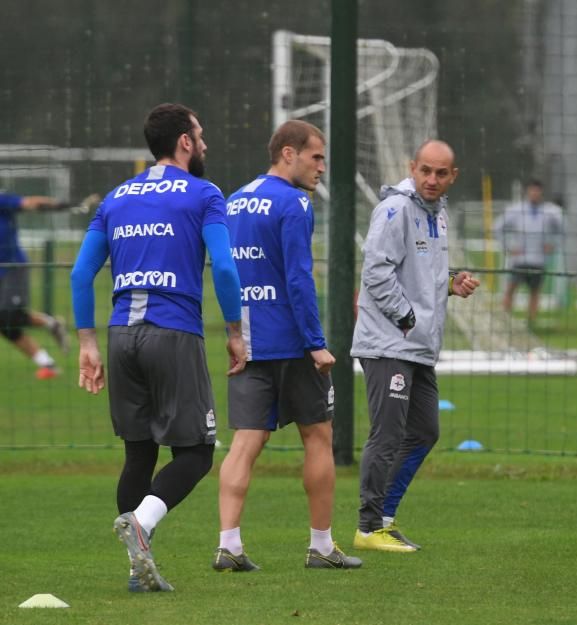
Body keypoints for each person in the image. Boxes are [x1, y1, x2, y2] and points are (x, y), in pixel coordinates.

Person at [70, 103, 247, 592]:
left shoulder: (115, 198)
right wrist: (235, 331)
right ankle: (142, 527)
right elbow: (227, 270)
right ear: (185, 142)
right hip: (173, 332)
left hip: (121, 334)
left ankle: (136, 571)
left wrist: (87, 343)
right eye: (201, 134)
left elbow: (81, 273)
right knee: (196, 452)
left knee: (139, 454)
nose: (205, 144)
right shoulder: (205, 194)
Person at [214, 120, 361, 572]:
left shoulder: (234, 201)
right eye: (316, 157)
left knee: (244, 444)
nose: (322, 168)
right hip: (293, 342)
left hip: (250, 343)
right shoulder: (295, 203)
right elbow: (298, 278)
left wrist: (233, 331)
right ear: (288, 153)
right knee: (318, 436)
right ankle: (321, 546)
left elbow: (224, 270)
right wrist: (316, 344)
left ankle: (229, 546)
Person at [351, 139, 479, 552]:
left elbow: (419, 277)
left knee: (424, 431)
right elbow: (375, 273)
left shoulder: (438, 215)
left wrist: (451, 284)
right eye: (425, 170)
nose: (432, 179)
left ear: (452, 177)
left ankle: (384, 520)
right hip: (390, 344)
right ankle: (368, 528)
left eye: (441, 173)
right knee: (386, 435)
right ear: (412, 167)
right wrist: (405, 317)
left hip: (417, 346)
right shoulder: (395, 209)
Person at [0, 192, 72, 378]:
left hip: (11, 267)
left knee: (10, 316)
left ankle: (50, 323)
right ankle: (48, 364)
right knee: (5, 325)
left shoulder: (3, 199)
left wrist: (59, 204)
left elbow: (30, 202)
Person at [493, 179, 564, 326]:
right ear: (527, 192)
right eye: (532, 190)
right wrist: (508, 247)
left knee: (535, 291)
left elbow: (562, 230)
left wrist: (553, 245)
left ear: (541, 192)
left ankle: (531, 322)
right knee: (510, 289)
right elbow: (497, 227)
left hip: (538, 260)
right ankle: (504, 319)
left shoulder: (550, 212)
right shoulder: (516, 210)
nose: (534, 193)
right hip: (519, 260)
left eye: (537, 190)